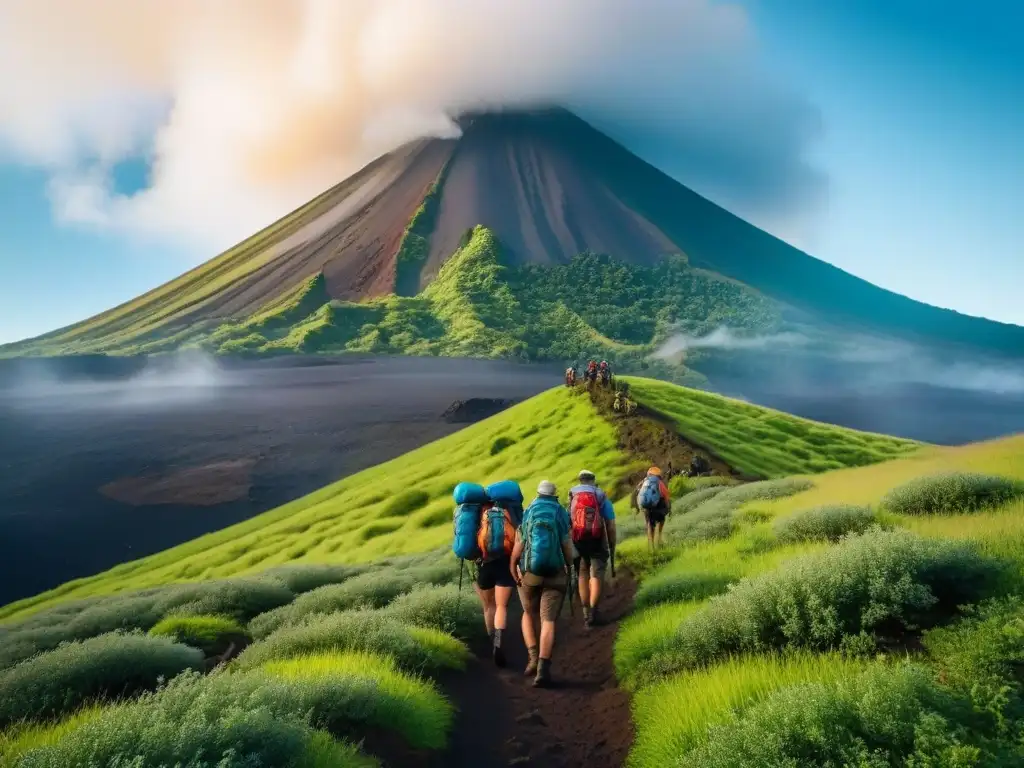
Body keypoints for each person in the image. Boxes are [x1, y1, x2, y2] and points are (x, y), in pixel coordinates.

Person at [511, 480, 574, 688]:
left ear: (538, 493)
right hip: (555, 574)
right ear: (554, 494)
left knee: (528, 613)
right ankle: (543, 671)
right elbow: (566, 545)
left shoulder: (529, 511)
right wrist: (569, 566)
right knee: (548, 621)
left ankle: (532, 658)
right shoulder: (560, 511)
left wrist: (513, 565)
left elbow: (519, 543)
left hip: (531, 573)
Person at [475, 480, 523, 668]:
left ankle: (491, 641)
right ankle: (499, 643)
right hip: (505, 563)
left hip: (485, 565)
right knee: (502, 606)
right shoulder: (508, 511)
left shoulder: (479, 513)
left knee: (488, 607)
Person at [567, 470, 617, 628]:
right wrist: (612, 544)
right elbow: (610, 524)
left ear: (580, 480)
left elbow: (568, 523)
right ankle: (595, 613)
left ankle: (585, 613)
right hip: (597, 538)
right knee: (596, 573)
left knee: (582, 572)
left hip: (578, 540)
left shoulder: (573, 496)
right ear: (593, 480)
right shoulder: (600, 495)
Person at [636, 466, 671, 549]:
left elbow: (638, 491)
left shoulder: (644, 481)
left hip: (646, 508)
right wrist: (668, 507)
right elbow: (666, 495)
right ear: (658, 475)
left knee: (650, 525)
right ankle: (659, 538)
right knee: (661, 520)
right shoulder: (659, 482)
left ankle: (651, 545)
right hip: (657, 507)